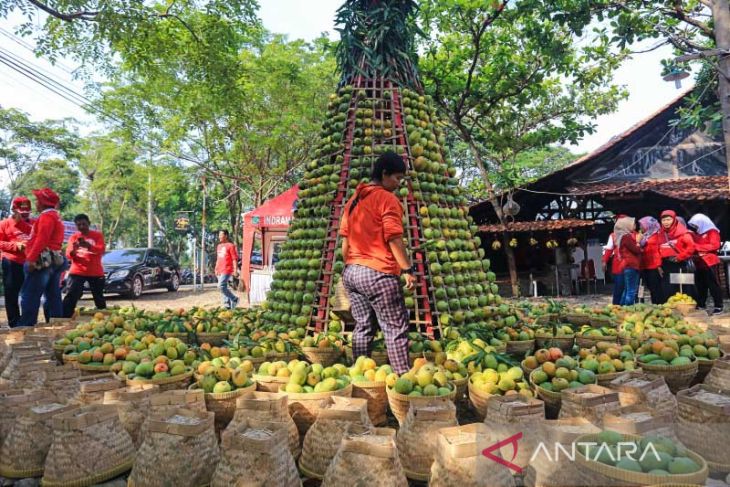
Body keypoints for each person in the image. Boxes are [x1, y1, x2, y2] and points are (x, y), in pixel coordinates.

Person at [339, 151, 415, 375]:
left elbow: (345, 241)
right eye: (397, 178)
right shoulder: (386, 199)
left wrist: (351, 265)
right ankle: (403, 381)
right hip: (378, 273)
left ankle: (359, 375)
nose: (398, 184)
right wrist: (407, 269)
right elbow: (393, 237)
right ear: (384, 174)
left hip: (352, 273)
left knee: (363, 326)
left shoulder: (354, 200)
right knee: (395, 329)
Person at [16, 188, 65, 327]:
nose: (36, 203)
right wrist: (19, 223)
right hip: (53, 259)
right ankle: (56, 324)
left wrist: (31, 259)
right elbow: (37, 234)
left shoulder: (47, 217)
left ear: (43, 203)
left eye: (38, 200)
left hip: (42, 261)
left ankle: (26, 326)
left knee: (30, 295)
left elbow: (42, 239)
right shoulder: (54, 216)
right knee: (52, 294)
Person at [62, 214, 106, 317]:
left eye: (84, 224)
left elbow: (101, 250)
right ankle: (65, 318)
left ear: (89, 224)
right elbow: (69, 255)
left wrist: (89, 246)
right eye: (79, 225)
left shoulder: (97, 235)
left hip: (95, 272)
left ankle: (105, 319)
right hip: (77, 271)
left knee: (99, 297)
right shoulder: (74, 237)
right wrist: (74, 249)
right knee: (71, 296)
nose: (81, 226)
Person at [0, 197, 33, 327]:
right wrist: (16, 246)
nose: (24, 214)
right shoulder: (4, 224)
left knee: (28, 294)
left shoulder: (31, 225)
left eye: (27, 212)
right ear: (13, 210)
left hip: (29, 263)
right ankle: (14, 323)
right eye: (21, 212)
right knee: (12, 294)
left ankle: (26, 321)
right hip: (11, 262)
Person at [688, 213, 723, 314]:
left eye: (696, 224)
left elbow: (715, 245)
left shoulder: (712, 232)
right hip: (699, 263)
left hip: (710, 262)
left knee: (713, 285)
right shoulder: (698, 234)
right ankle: (701, 304)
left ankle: (718, 305)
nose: (695, 227)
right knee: (700, 285)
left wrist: (697, 247)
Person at [658, 209, 696, 301]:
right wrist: (658, 265)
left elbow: (691, 247)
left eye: (668, 219)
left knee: (683, 288)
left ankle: (685, 307)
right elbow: (657, 249)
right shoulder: (660, 234)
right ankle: (670, 307)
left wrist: (679, 257)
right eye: (663, 220)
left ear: (674, 220)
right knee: (668, 288)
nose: (666, 222)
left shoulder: (683, 233)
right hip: (666, 265)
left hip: (680, 264)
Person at [614, 216, 641, 305]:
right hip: (631, 265)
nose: (635, 225)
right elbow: (636, 250)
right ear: (626, 226)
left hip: (628, 265)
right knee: (631, 291)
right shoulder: (626, 237)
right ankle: (628, 309)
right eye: (632, 224)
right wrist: (638, 242)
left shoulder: (623, 237)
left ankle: (621, 308)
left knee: (626, 290)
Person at [602, 214, 628, 305]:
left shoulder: (634, 234)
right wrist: (604, 261)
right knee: (619, 287)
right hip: (619, 266)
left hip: (632, 265)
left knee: (631, 288)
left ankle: (631, 307)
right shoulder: (613, 236)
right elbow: (609, 249)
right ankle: (616, 307)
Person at [638, 216, 665, 304]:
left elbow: (659, 250)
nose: (640, 227)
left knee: (656, 288)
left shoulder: (658, 234)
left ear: (648, 225)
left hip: (654, 265)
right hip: (644, 265)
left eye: (642, 225)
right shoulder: (645, 235)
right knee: (647, 287)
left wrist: (659, 265)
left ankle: (659, 306)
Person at [215, 229, 239, 309]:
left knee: (221, 286)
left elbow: (234, 259)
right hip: (220, 269)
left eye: (221, 235)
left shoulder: (230, 245)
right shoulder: (218, 246)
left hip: (227, 269)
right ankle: (227, 305)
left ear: (226, 236)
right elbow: (218, 258)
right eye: (219, 235)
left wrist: (235, 270)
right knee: (224, 287)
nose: (219, 237)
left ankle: (234, 299)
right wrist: (216, 268)